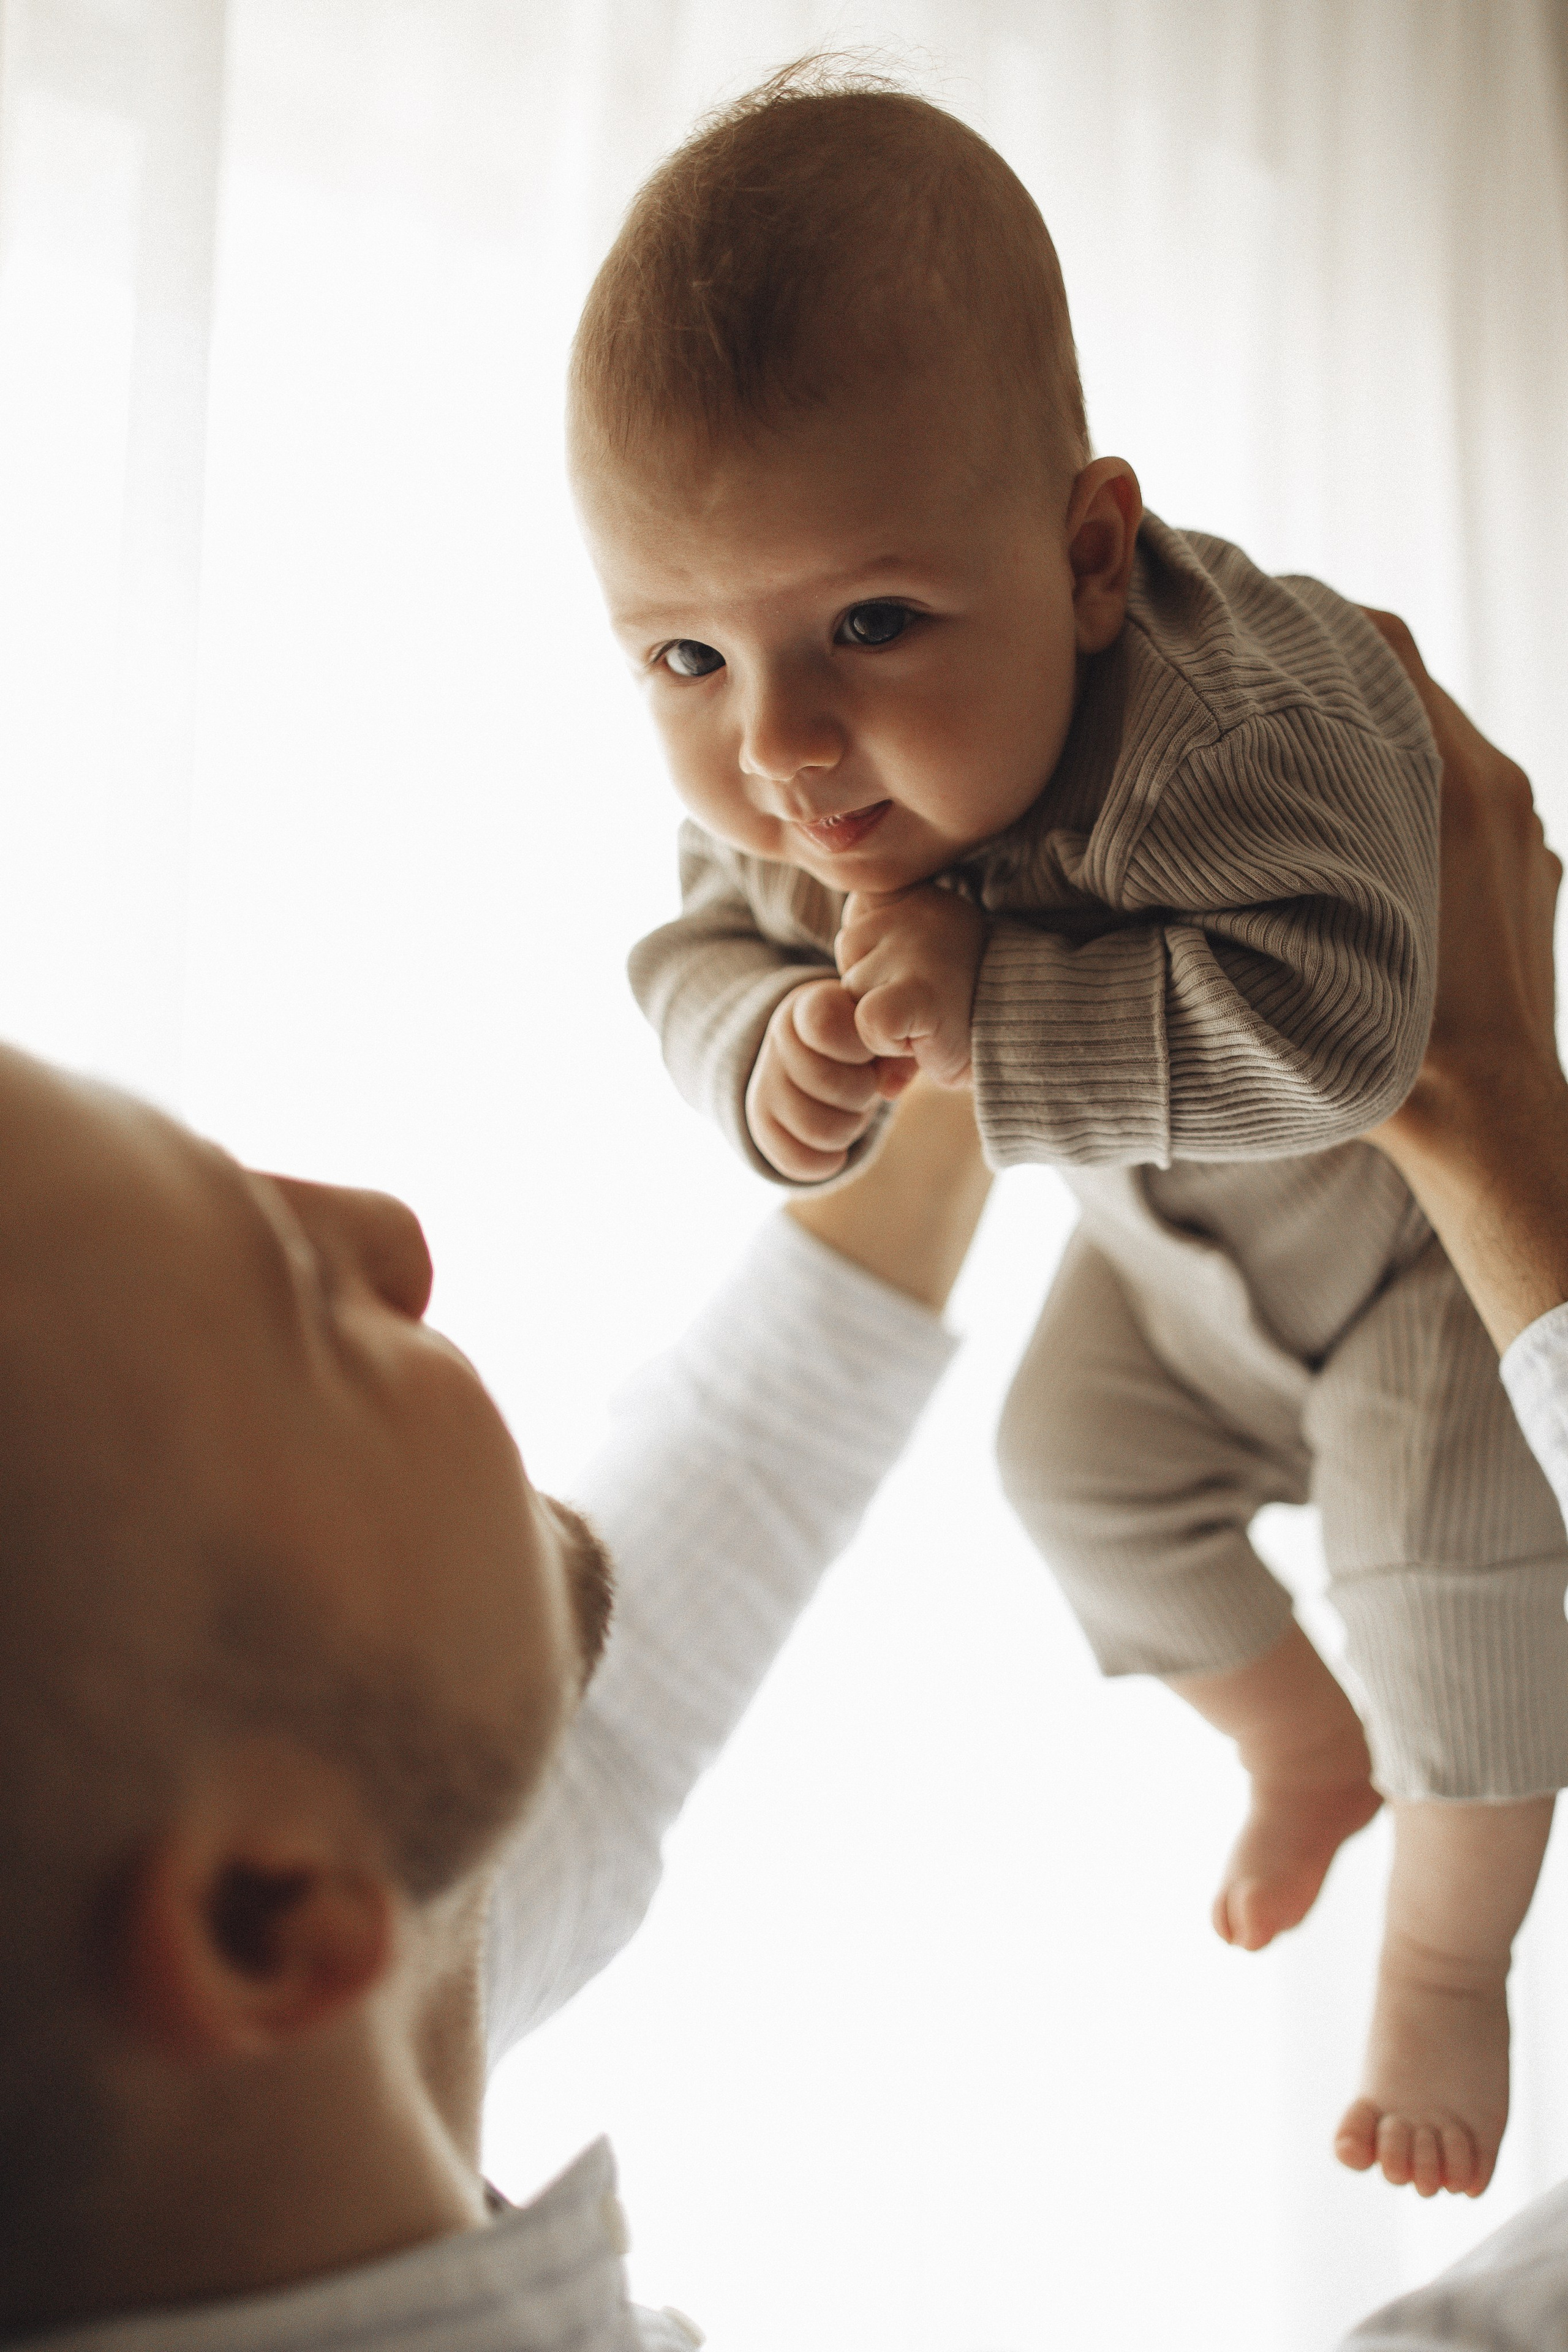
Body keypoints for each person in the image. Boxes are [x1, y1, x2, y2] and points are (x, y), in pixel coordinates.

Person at [2, 635, 1568, 2349]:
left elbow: (756, 1440)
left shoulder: (265, 2002)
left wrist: (959, 903)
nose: (392, 1233)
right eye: (293, 1306)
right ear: (266, 1919)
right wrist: (1499, 1124)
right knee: (1208, 1513)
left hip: (1285, 1239)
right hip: (1358, 1285)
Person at [567, 62, 1567, 2195]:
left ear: (1092, 558)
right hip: (1170, 1279)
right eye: (682, 655)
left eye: (869, 625)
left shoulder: (1227, 731)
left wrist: (1000, 1016)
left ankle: (1446, 1964)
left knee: (1459, 1602)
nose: (782, 746)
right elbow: (688, 956)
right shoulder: (797, 802)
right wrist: (766, 1053)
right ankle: (1293, 1736)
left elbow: (1360, 1021)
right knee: (1065, 1470)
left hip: (1415, 1274)